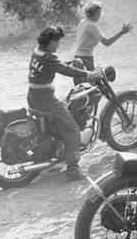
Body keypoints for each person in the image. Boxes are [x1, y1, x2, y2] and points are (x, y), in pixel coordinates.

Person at [27, 26, 103, 181]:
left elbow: (58, 66)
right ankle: (73, 168)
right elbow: (66, 71)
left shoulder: (36, 52)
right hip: (46, 100)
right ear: (50, 42)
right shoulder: (49, 58)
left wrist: (70, 63)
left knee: (60, 118)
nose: (58, 45)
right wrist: (89, 74)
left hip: (33, 97)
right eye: (57, 42)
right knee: (72, 128)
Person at [73, 0, 133, 84]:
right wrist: (121, 33)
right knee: (95, 86)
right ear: (96, 13)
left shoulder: (82, 22)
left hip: (76, 58)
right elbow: (107, 42)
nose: (100, 16)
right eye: (99, 13)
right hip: (86, 59)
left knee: (81, 87)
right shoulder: (92, 25)